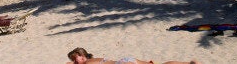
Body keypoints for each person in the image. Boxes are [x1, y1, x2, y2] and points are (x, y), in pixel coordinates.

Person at [66, 47, 201, 64]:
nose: (74, 62)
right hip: (125, 60)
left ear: (81, 55)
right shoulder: (95, 59)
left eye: (74, 58)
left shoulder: (88, 63)